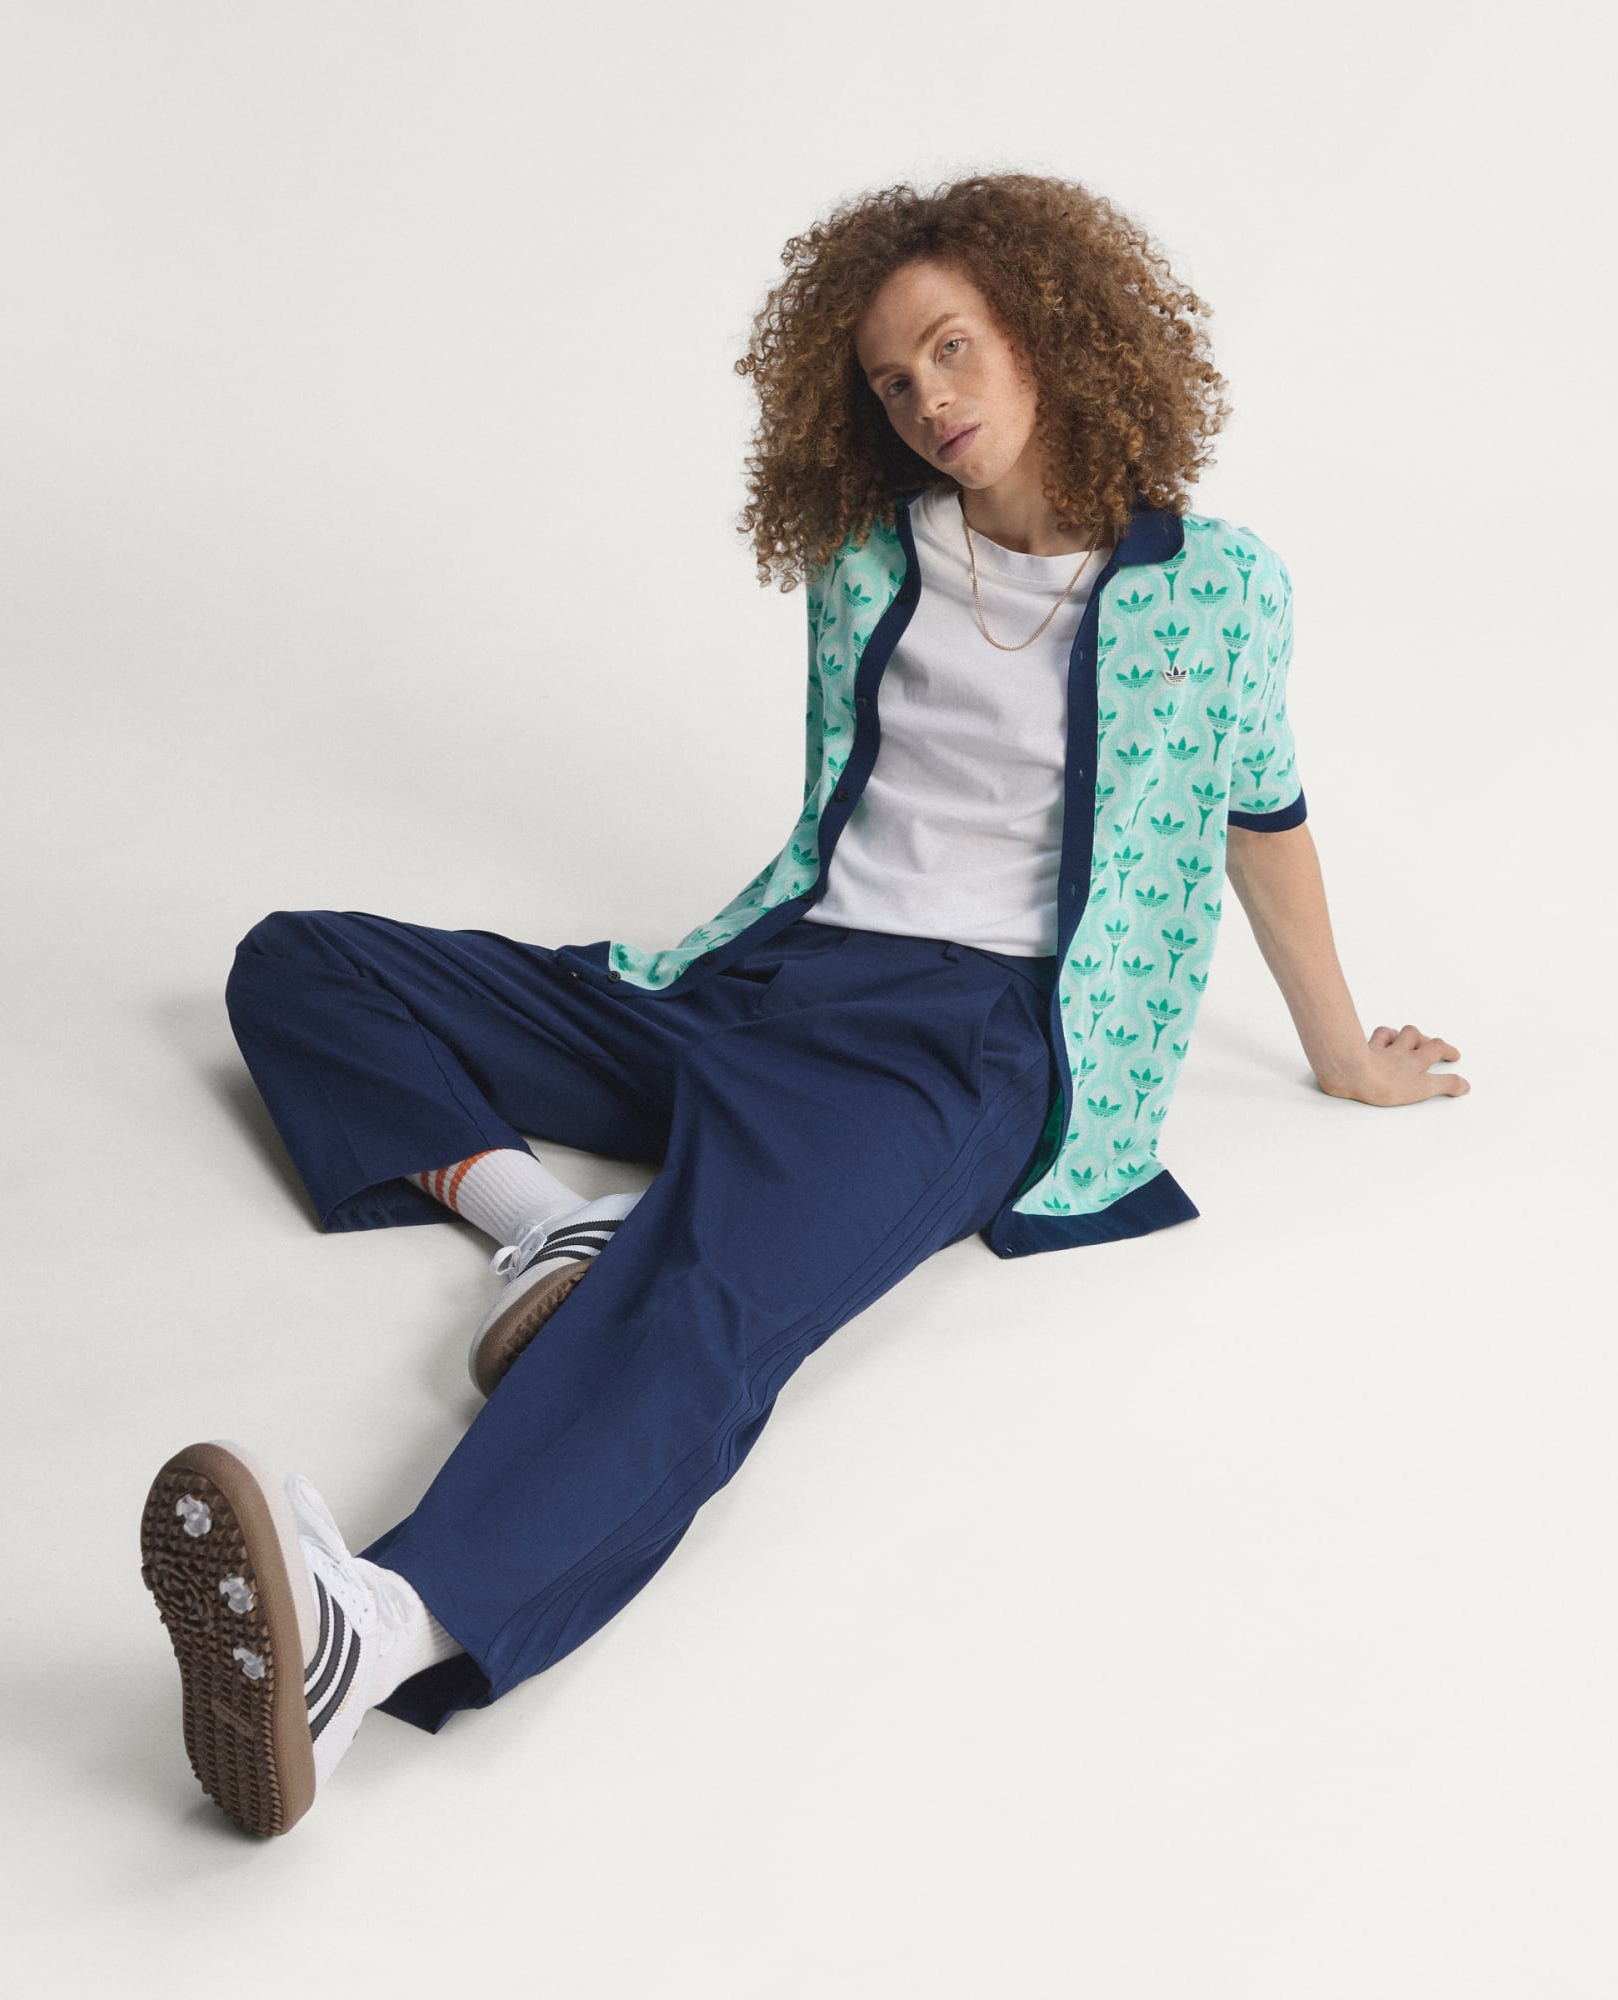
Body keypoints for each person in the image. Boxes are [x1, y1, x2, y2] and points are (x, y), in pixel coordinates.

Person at [139, 169, 1470, 1839]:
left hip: (964, 1043)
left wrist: (1341, 1053)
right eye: (893, 381)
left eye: (953, 348)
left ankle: (380, 1631)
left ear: (1049, 331)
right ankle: (548, 1228)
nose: (927, 401)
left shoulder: (1218, 587)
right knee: (306, 961)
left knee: (711, 1295)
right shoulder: (866, 554)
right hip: (765, 976)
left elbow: (1260, 815)